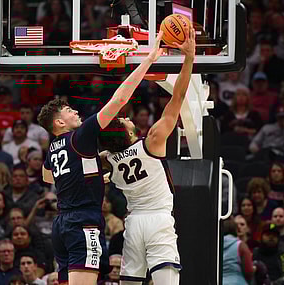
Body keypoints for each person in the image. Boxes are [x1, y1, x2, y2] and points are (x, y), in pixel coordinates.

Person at [37, 31, 165, 285]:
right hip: (82, 221)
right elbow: (119, 99)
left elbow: (46, 175)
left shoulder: (53, 148)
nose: (75, 111)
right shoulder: (80, 136)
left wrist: (89, 173)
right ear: (60, 122)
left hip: (62, 225)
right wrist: (149, 59)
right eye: (69, 110)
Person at [97, 23, 195, 285]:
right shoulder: (152, 140)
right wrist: (189, 57)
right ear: (126, 132)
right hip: (158, 219)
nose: (126, 117)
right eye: (124, 120)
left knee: (130, 282)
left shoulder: (106, 159)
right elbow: (178, 97)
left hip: (133, 222)